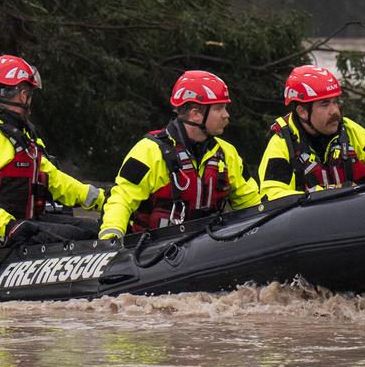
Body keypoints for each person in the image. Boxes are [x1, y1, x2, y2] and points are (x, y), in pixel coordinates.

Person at [0, 54, 104, 254]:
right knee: (82, 237)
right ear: (22, 94)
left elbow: (54, 180)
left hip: (19, 225)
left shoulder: (20, 137)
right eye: (29, 94)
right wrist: (6, 226)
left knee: (95, 229)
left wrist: (102, 200)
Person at [99, 70, 260, 240]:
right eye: (218, 108)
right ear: (195, 113)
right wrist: (111, 235)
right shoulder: (149, 151)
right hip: (151, 251)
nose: (226, 115)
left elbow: (251, 203)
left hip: (208, 247)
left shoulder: (227, 154)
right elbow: (122, 198)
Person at [257, 65, 365, 201]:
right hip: (311, 226)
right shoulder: (282, 144)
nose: (335, 111)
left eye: (335, 101)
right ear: (302, 112)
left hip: (360, 217)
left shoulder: (350, 130)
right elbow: (273, 195)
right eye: (325, 104)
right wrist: (321, 194)